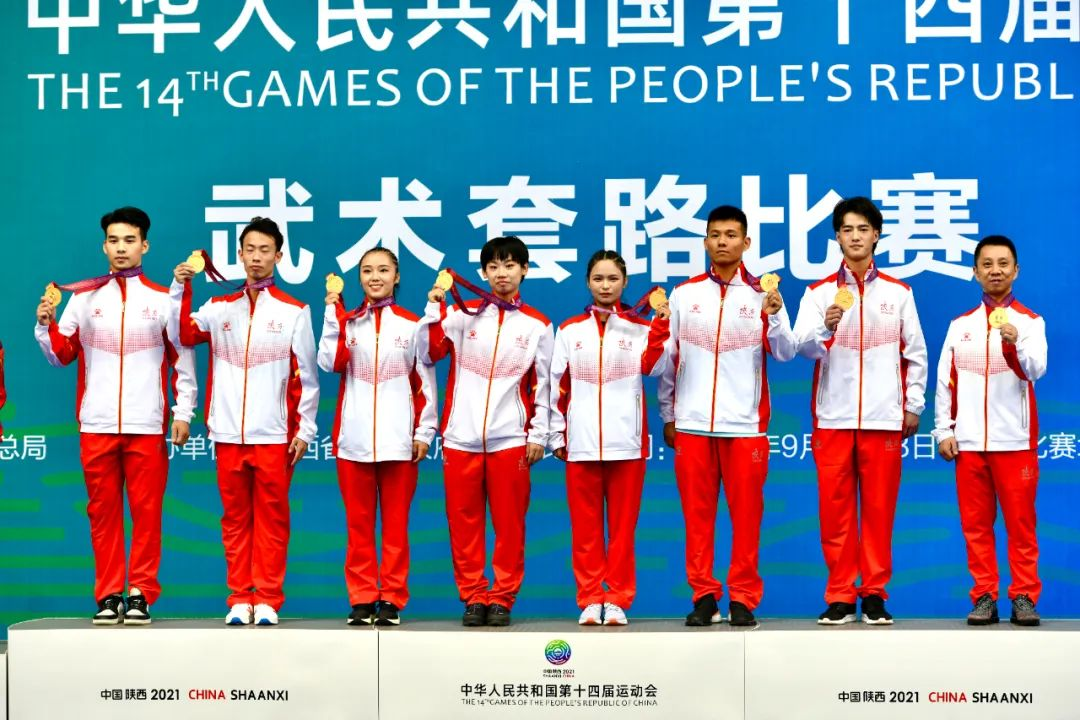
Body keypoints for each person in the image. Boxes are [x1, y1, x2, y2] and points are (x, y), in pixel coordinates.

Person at [35, 206, 196, 625]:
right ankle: (108, 594)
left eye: (129, 240)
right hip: (97, 425)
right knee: (102, 513)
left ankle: (140, 593)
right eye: (113, 240)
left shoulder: (162, 300)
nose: (121, 248)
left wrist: (183, 410)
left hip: (147, 424)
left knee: (147, 512)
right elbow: (62, 355)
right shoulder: (82, 298)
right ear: (103, 246)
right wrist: (46, 327)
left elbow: (182, 358)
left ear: (145, 245)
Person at [643, 205, 796, 628]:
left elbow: (785, 352)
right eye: (715, 234)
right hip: (692, 425)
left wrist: (776, 316)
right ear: (705, 242)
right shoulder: (684, 294)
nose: (722, 241)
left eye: (731, 235)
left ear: (746, 243)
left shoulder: (763, 295)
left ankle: (743, 597)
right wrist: (669, 414)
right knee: (697, 517)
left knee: (747, 518)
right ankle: (704, 596)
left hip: (745, 427)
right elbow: (667, 362)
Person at [174, 217, 319, 626]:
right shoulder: (218, 308)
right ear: (239, 254)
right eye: (250, 250)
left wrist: (305, 429)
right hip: (227, 433)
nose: (256, 257)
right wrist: (180, 288)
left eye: (264, 250)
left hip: (274, 434)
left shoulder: (294, 311)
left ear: (278, 256)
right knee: (235, 519)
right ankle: (240, 596)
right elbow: (182, 334)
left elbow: (307, 376)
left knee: (272, 519)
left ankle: (268, 597)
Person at [793, 196, 928, 625]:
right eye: (847, 229)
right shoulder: (817, 294)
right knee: (835, 511)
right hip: (833, 417)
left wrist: (913, 404)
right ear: (837, 237)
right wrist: (825, 326)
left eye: (863, 229)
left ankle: (873, 594)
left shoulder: (899, 293)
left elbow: (916, 353)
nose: (855, 237)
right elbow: (800, 347)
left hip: (883, 417)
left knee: (878, 511)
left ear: (876, 236)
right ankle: (839, 594)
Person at [416, 236, 553, 627]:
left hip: (511, 439)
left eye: (509, 265)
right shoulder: (462, 315)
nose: (501, 273)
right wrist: (434, 307)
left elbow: (544, 384)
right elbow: (428, 353)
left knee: (510, 525)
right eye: (493, 266)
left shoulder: (538, 325)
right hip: (461, 438)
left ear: (524, 270)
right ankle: (474, 595)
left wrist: (538, 434)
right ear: (483, 272)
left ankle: (503, 597)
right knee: (464, 523)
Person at [317, 247, 437, 626]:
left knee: (396, 526)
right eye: (367, 270)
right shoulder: (347, 323)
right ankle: (363, 597)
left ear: (396, 277)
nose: (375, 277)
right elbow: (329, 362)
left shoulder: (412, 324)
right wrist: (333, 317)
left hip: (399, 442)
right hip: (353, 442)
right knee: (359, 526)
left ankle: (392, 598)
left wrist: (424, 430)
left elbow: (424, 381)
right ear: (359, 278)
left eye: (383, 270)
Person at [932, 235, 1046, 626]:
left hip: (1014, 442)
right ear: (975, 272)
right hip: (968, 443)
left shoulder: (1030, 322)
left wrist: (1015, 345)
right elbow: (945, 380)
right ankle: (984, 595)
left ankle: (1024, 596)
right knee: (976, 526)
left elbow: (1035, 370)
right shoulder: (960, 325)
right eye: (987, 264)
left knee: (1021, 525)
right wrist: (943, 429)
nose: (995, 271)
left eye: (1003, 264)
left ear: (1015, 271)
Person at [550, 250, 666, 626]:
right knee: (585, 530)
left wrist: (660, 327)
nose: (605, 286)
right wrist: (556, 434)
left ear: (625, 282)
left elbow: (655, 368)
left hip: (627, 444)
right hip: (581, 445)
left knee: (621, 530)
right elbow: (556, 385)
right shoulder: (570, 330)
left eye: (613, 279)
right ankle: (589, 597)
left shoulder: (640, 328)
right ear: (588, 282)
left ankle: (616, 598)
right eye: (598, 279)